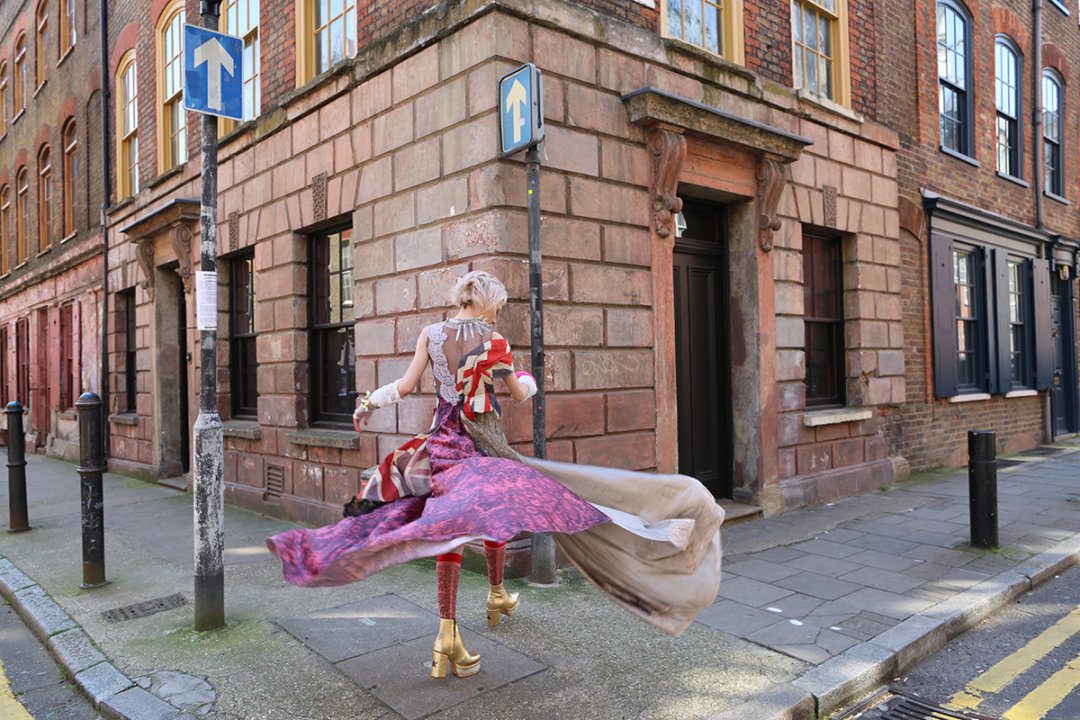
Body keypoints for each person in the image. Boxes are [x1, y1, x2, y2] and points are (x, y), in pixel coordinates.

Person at [266, 270, 725, 681]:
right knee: (495, 513)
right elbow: (520, 394)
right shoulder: (494, 340)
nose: (498, 314)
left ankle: (460, 623)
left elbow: (404, 387)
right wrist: (531, 379)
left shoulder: (431, 333)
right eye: (498, 307)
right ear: (488, 303)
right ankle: (483, 605)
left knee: (450, 527)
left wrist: (367, 402)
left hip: (441, 446)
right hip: (481, 448)